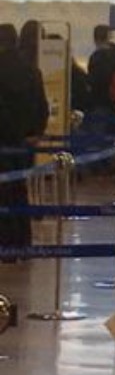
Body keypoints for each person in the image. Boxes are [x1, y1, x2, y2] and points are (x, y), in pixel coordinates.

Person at [0, 22, 49, 251]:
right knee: (19, 190)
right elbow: (42, 106)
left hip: (4, 141)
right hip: (25, 143)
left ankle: (5, 243)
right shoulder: (31, 70)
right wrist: (34, 132)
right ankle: (22, 241)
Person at [87, 23, 115, 118]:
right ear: (109, 36)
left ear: (95, 38)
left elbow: (95, 80)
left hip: (100, 101)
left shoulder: (97, 57)